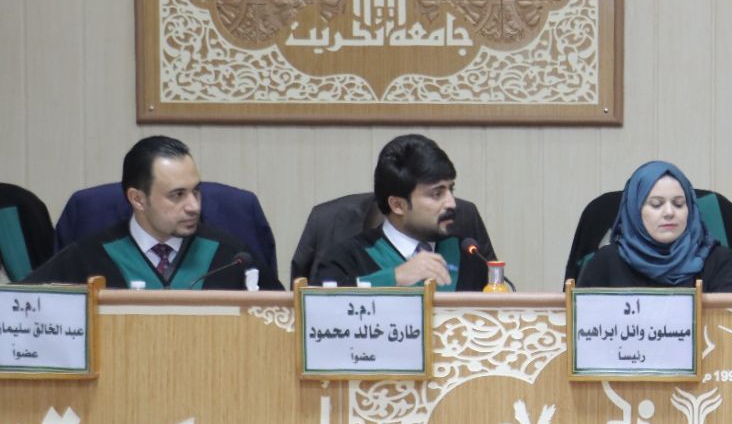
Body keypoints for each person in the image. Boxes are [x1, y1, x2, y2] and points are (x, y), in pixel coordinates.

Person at [24, 136, 278, 290]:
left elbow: (283, 321)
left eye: (196, 191)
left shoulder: (231, 258)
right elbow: (21, 308)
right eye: (177, 195)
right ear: (138, 199)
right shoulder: (87, 258)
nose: (194, 206)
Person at [312, 134, 490, 291]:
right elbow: (320, 305)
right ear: (397, 205)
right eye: (437, 194)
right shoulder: (346, 259)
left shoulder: (469, 256)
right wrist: (394, 278)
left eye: (451, 189)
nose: (452, 203)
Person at [575, 161, 732, 292]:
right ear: (635, 211)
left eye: (679, 204)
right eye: (656, 204)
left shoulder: (720, 261)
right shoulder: (606, 262)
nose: (669, 212)